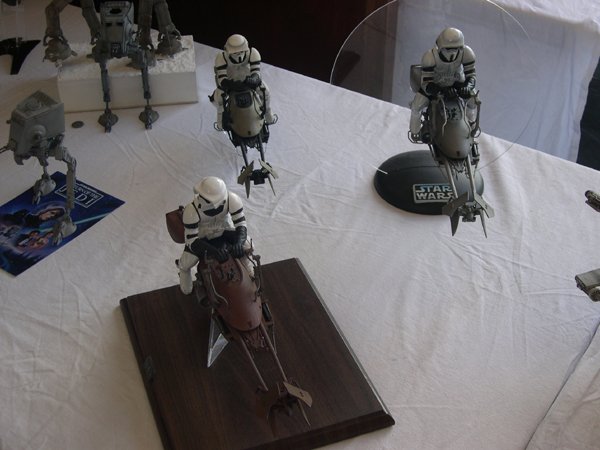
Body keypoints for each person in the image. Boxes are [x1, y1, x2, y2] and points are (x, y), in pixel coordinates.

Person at [176, 177, 251, 295]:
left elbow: (241, 224)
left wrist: (239, 242)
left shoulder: (232, 199)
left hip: (225, 230)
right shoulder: (191, 211)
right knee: (187, 263)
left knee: (248, 244)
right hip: (202, 238)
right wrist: (213, 252)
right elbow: (192, 241)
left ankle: (247, 265)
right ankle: (183, 272)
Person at [409, 27, 478, 140]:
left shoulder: (467, 53)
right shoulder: (430, 57)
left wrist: (467, 87)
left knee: (474, 101)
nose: (452, 52)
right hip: (435, 85)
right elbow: (426, 83)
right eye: (448, 49)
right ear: (440, 47)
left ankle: (471, 124)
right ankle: (415, 131)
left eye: (456, 48)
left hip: (458, 84)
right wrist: (440, 90)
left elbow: (471, 75)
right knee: (416, 106)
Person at [210, 34, 276, 131]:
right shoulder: (221, 57)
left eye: (241, 51)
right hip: (230, 83)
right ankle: (221, 122)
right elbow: (222, 77)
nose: (238, 54)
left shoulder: (253, 53)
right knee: (220, 99)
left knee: (265, 91)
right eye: (234, 52)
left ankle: (267, 114)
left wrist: (254, 79)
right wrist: (230, 84)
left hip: (249, 81)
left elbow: (256, 71)